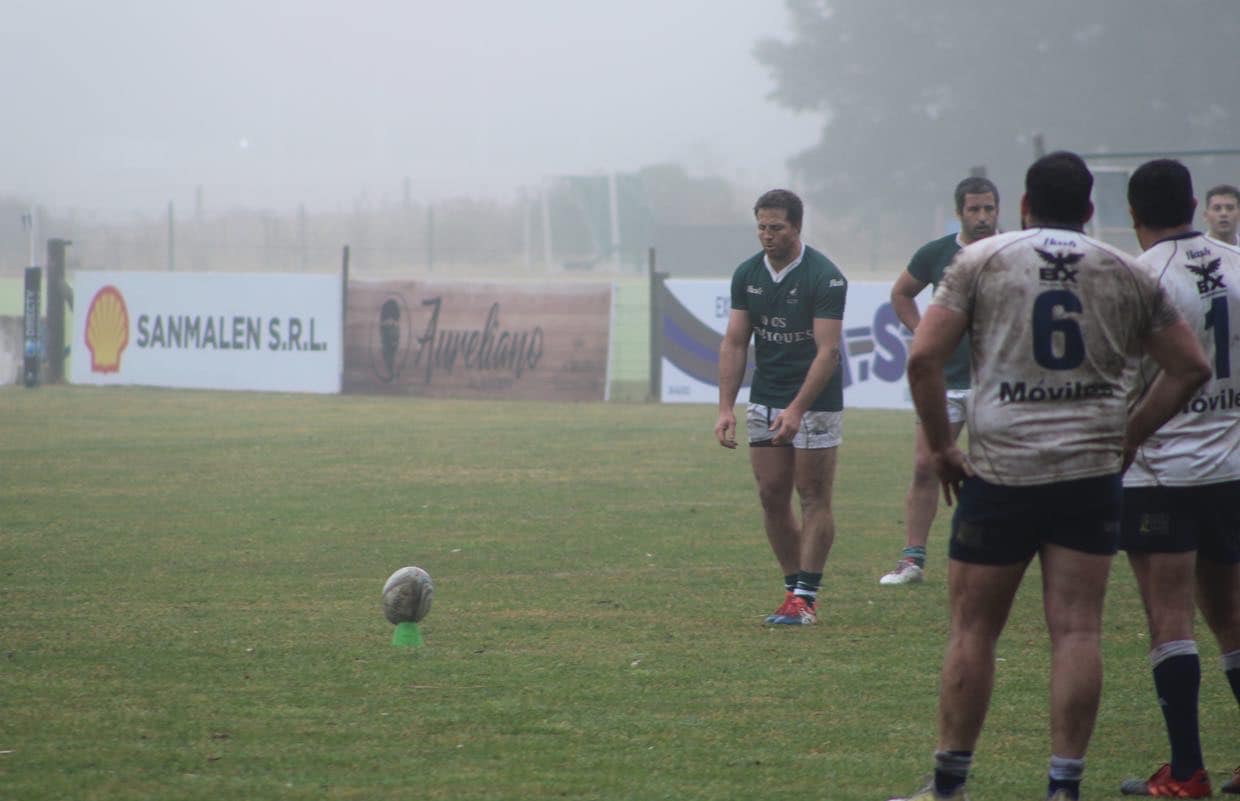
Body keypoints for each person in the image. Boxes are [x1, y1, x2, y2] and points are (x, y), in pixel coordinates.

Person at [889, 151, 1211, 801]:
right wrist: (1129, 436)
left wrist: (942, 447)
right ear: (1092, 211)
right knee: (1078, 628)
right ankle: (1063, 786)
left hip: (1001, 469)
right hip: (1089, 473)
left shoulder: (983, 259)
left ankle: (948, 784)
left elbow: (924, 358)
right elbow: (1190, 367)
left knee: (973, 628)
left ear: (1025, 205)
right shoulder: (1125, 269)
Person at [1117, 160, 1240, 798]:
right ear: (1195, 204)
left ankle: (1188, 771)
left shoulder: (1138, 278)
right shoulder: (1238, 262)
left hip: (1161, 470)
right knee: (1231, 615)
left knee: (1170, 617)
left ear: (1132, 213)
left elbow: (1123, 377)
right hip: (1233, 466)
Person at [715, 188, 848, 626]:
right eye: (761, 227)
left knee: (812, 496)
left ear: (796, 227)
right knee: (771, 496)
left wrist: (797, 409)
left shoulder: (824, 276)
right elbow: (735, 342)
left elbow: (827, 353)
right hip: (766, 397)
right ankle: (793, 591)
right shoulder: (747, 274)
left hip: (815, 402)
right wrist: (725, 408)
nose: (767, 236)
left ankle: (806, 598)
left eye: (777, 227)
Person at [880, 176, 1000, 586]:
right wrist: (923, 334)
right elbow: (901, 294)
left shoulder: (1012, 252)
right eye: (974, 210)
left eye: (988, 209)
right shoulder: (936, 254)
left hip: (996, 383)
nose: (982, 217)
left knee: (999, 471)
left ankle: (998, 554)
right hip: (945, 382)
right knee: (925, 465)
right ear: (959, 213)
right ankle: (912, 560)